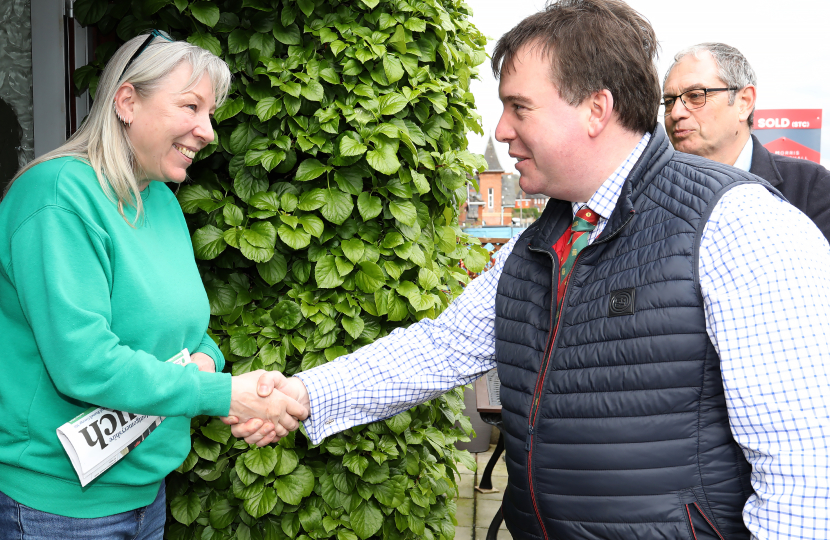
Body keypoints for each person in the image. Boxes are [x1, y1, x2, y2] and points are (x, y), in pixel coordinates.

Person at [232, 1, 830, 538]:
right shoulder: (540, 240)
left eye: (519, 107)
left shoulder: (737, 222)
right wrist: (306, 394)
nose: (500, 131)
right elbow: (443, 347)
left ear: (597, 108)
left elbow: (804, 464)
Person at [0, 31, 305, 539]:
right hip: (60, 512)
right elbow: (85, 363)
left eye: (210, 113)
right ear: (127, 102)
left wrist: (210, 364)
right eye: (191, 106)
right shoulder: (56, 196)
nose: (207, 130)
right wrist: (225, 394)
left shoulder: (159, 198)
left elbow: (189, 331)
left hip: (147, 496)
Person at [663, 42, 830, 241]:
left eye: (696, 96)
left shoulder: (812, 186)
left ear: (744, 102)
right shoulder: (652, 193)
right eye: (669, 101)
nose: (675, 113)